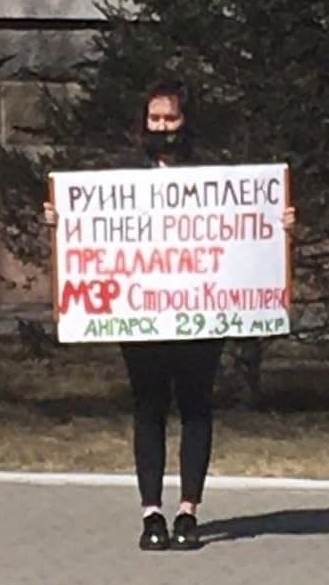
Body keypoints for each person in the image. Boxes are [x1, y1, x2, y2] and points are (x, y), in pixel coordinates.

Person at [45, 80, 295, 552]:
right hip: (141, 316)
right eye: (155, 119)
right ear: (144, 123)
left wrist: (279, 225)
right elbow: (90, 229)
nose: (162, 127)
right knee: (149, 408)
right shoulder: (119, 179)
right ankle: (151, 513)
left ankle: (189, 512)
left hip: (201, 314)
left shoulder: (213, 178)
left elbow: (247, 229)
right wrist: (61, 223)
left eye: (170, 119)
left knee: (196, 406)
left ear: (185, 122)